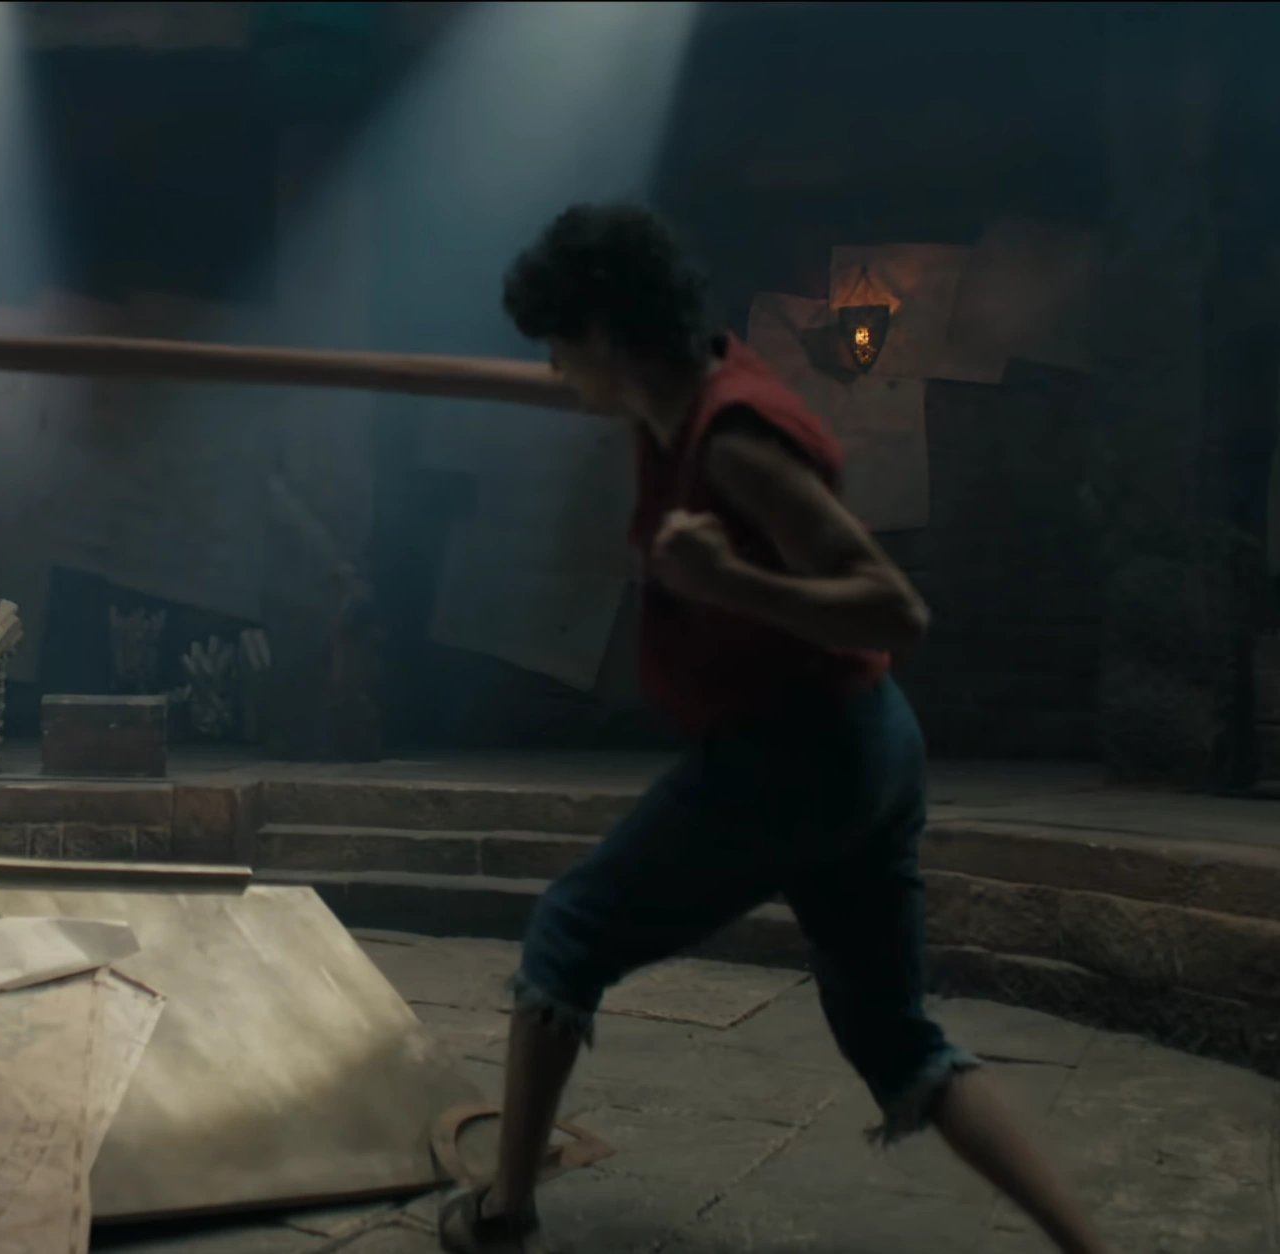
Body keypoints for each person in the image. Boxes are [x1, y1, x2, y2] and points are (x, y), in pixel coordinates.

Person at [438, 206, 1112, 1254]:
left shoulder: (736, 443)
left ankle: (502, 1213)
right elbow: (617, 393)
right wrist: (595, 388)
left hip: (793, 755)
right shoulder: (673, 391)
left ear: (608, 338)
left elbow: (895, 610)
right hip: (863, 747)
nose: (555, 369)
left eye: (562, 346)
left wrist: (731, 584)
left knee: (567, 933)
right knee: (897, 1041)